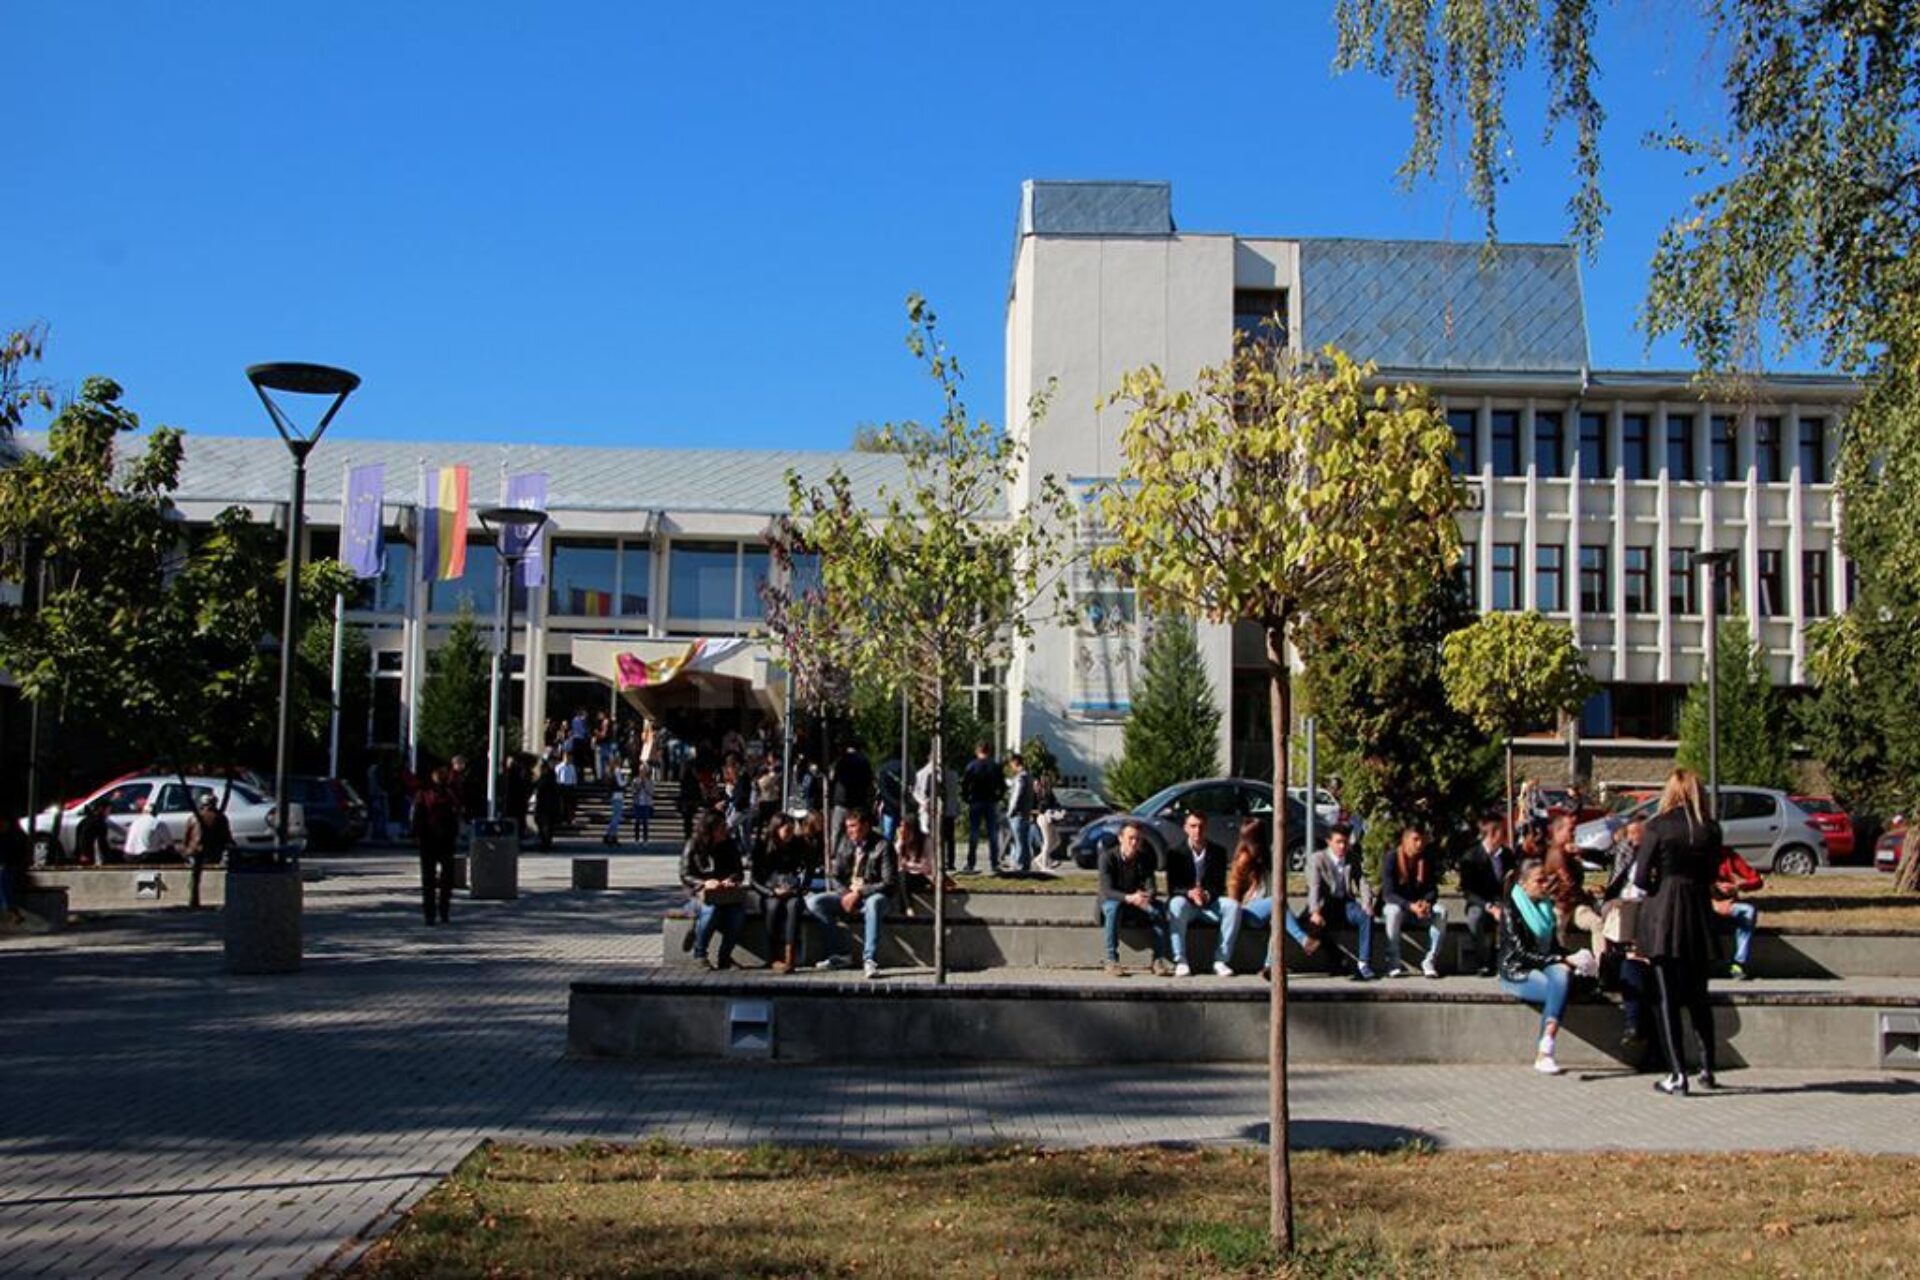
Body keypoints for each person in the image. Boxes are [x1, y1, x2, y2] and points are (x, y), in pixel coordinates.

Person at [1632, 767, 1724, 1096]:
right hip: (1697, 911)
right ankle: (1707, 1067)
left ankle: (1677, 1073)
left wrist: (1658, 881)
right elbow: (1712, 873)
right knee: (1699, 995)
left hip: (1665, 913)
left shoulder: (1658, 826)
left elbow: (1641, 877)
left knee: (1667, 997)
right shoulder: (1710, 828)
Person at [1497, 857, 1598, 1074]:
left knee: (1562, 974)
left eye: (1545, 880)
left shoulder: (1545, 907)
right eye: (1539, 881)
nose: (1544, 886)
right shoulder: (1510, 909)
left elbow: (1552, 949)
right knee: (1560, 981)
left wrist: (1574, 957)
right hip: (1517, 970)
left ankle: (1546, 1044)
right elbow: (1520, 954)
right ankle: (1545, 1051)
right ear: (1523, 883)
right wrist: (1563, 960)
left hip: (1543, 965)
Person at [1217, 816, 1317, 977]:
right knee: (1275, 903)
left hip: (1263, 909)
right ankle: (1303, 940)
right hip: (1245, 911)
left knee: (1277, 918)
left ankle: (1270, 965)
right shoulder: (1244, 858)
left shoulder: (1265, 856)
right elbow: (1233, 888)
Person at [805, 809, 897, 979]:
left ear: (866, 826)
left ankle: (870, 959)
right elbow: (834, 875)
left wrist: (859, 893)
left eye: (854, 826)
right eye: (848, 827)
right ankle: (840, 954)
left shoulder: (883, 845)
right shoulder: (846, 842)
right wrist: (847, 894)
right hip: (848, 894)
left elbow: (888, 882)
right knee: (814, 902)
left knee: (874, 904)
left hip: (874, 896)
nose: (850, 831)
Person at [1096, 821, 1173, 977]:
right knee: (1113, 909)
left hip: (1137, 902)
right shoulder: (1107, 857)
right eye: (1130, 838)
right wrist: (1130, 897)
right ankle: (1112, 960)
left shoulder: (1145, 858)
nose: (1134, 842)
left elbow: (1152, 887)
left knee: (1159, 910)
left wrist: (1146, 896)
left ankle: (1158, 960)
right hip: (1113, 900)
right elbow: (1107, 890)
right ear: (1120, 838)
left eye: (1138, 839)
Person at [1303, 824, 1376, 980]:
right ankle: (1336, 962)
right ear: (1329, 842)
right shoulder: (1317, 859)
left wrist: (1367, 903)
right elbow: (1314, 887)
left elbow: (1362, 882)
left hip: (1345, 902)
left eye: (1345, 842)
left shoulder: (1352, 858)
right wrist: (1315, 912)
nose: (1342, 846)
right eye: (1338, 842)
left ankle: (1364, 963)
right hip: (1324, 904)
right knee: (1317, 926)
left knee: (1366, 916)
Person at [1165, 811, 1230, 977]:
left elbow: (1219, 885)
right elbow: (1173, 887)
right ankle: (1180, 960)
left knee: (1233, 906)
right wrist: (1190, 893)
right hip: (1187, 904)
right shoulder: (1175, 853)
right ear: (1185, 828)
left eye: (1201, 826)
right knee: (1175, 904)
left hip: (1210, 903)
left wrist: (1206, 894)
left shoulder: (1218, 852)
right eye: (1193, 826)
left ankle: (1221, 960)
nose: (1197, 831)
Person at [680, 810, 747, 969]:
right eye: (720, 827)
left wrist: (731, 880)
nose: (725, 830)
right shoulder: (694, 844)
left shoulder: (729, 844)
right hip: (699, 895)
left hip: (725, 894)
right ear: (709, 829)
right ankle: (700, 954)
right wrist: (704, 883)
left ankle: (725, 957)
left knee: (737, 915)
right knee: (711, 911)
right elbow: (685, 874)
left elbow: (739, 872)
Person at [1380, 825, 1448, 978]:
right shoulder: (1391, 858)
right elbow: (1388, 894)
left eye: (1422, 840)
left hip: (1420, 909)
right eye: (1415, 840)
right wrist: (1410, 906)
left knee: (1441, 912)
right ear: (1404, 841)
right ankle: (1393, 961)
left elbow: (1432, 889)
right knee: (1393, 911)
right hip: (1399, 907)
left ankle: (1430, 961)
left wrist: (1427, 903)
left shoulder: (1426, 858)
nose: (1419, 844)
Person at [753, 813, 814, 973]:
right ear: (776, 829)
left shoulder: (798, 844)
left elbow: (808, 869)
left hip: (792, 890)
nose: (790, 834)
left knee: (794, 906)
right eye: (787, 830)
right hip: (771, 890)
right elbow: (754, 879)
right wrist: (771, 891)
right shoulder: (762, 846)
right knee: (773, 907)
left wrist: (800, 888)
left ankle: (790, 957)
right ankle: (773, 956)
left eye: (792, 830)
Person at [1457, 814, 1511, 976]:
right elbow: (1468, 891)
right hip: (1480, 902)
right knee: (1475, 917)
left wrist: (1502, 903)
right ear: (1493, 834)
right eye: (1503, 832)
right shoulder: (1471, 857)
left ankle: (1507, 960)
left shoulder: (1507, 855)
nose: (1506, 835)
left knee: (1512, 915)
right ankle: (1483, 962)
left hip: (1501, 901)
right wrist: (1490, 907)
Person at [414, 767, 462, 925]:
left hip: (428, 840)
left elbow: (418, 817)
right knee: (446, 878)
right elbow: (456, 815)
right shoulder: (450, 794)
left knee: (428, 879)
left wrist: (417, 835)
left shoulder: (424, 795)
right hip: (445, 841)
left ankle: (430, 914)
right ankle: (443, 911)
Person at [1714, 847, 1764, 980]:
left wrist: (1738, 886)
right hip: (1701, 906)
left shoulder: (1729, 856)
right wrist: (1714, 905)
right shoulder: (1694, 856)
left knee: (1748, 911)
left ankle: (1738, 963)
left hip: (1729, 905)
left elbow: (1757, 880)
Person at [181, 795, 233, 910]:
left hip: (195, 852)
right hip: (215, 852)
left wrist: (186, 851)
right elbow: (227, 837)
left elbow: (186, 838)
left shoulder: (193, 817)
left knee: (194, 874)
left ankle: (193, 899)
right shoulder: (221, 817)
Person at [960, 741, 1004, 874]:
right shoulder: (995, 766)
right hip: (990, 801)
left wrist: (966, 798)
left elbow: (964, 784)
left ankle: (971, 863)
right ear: (989, 751)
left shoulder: (972, 766)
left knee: (974, 833)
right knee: (993, 834)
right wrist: (998, 797)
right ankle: (994, 863)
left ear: (977, 751)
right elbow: (1002, 785)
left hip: (976, 800)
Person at [913, 753, 960, 872]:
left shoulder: (923, 774)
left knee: (938, 836)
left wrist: (923, 802)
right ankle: (946, 861)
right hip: (939, 810)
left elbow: (916, 792)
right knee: (946, 837)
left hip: (938, 810)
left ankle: (940, 860)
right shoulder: (926, 774)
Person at [827, 744, 875, 846]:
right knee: (857, 833)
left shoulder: (841, 760)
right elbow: (869, 782)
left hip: (841, 802)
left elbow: (833, 779)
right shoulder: (864, 761)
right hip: (858, 803)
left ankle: (833, 852)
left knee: (836, 833)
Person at [1005, 754, 1039, 873]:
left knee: (1018, 841)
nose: (1011, 767)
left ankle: (1019, 866)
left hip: (1018, 814)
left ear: (1015, 762)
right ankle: (1025, 864)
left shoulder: (1020, 777)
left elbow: (1016, 796)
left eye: (1011, 764)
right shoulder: (1029, 776)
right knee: (1024, 841)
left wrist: (1010, 811)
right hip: (1026, 813)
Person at [123, 796, 175, 864]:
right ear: (156, 812)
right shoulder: (158, 823)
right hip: (146, 857)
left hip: (129, 856)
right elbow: (169, 843)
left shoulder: (135, 822)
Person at [532, 759, 562, 852]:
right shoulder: (550, 778)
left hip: (545, 806)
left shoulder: (546, 779)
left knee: (545, 826)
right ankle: (546, 842)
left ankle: (546, 843)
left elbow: (539, 788)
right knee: (545, 826)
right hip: (547, 806)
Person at [73, 798, 110, 867]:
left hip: (81, 854)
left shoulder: (85, 820)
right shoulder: (98, 822)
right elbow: (101, 841)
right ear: (101, 809)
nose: (108, 813)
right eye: (108, 810)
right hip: (88, 855)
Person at [630, 767, 656, 844]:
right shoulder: (635, 780)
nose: (642, 773)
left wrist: (645, 787)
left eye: (644, 771)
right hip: (637, 803)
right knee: (637, 822)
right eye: (641, 771)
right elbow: (633, 791)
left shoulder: (650, 781)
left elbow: (652, 792)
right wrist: (638, 787)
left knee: (645, 822)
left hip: (646, 804)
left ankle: (645, 839)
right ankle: (637, 839)